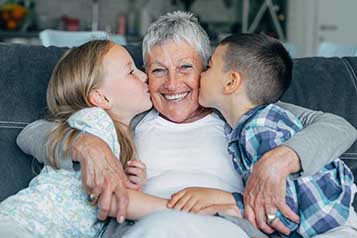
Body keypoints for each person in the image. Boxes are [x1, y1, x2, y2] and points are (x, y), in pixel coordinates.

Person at [16, 11, 357, 237]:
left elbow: (339, 127)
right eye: (158, 70)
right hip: (148, 226)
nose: (172, 84)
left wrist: (278, 159)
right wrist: (89, 147)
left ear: (214, 72)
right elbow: (32, 132)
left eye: (186, 68)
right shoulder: (133, 115)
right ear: (145, 75)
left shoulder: (239, 111)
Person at [167, 33, 356, 238]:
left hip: (330, 225)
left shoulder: (260, 127)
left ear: (231, 82)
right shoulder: (250, 125)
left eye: (209, 67)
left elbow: (285, 210)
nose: (200, 75)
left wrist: (224, 201)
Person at [0, 40, 177, 237]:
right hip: (25, 224)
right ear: (101, 99)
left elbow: (107, 185)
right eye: (131, 72)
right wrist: (183, 209)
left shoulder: (118, 136)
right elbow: (109, 199)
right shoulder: (94, 120)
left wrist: (130, 181)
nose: (144, 76)